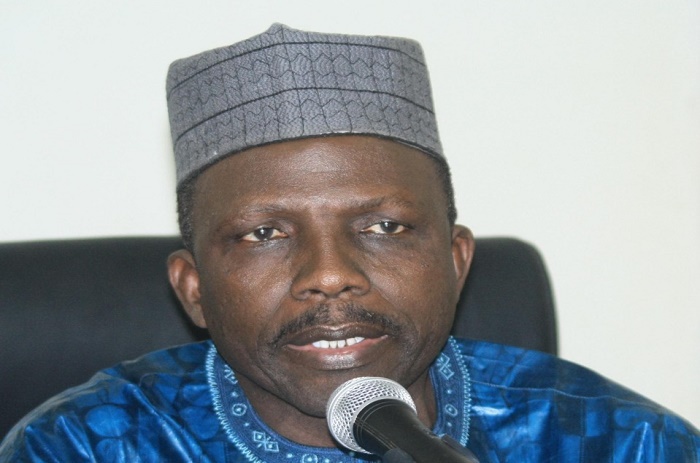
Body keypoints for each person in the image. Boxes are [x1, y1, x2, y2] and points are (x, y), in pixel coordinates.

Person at [1, 23, 698, 462]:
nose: (330, 274)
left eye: (384, 227)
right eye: (264, 233)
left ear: (456, 262)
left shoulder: (625, 444)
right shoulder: (82, 448)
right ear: (194, 290)